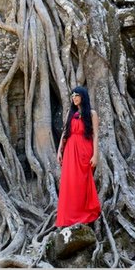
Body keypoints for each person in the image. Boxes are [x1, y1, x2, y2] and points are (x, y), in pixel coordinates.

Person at [56, 86, 101, 227]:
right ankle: (69, 217)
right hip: (70, 150)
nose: (74, 98)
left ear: (83, 96)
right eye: (72, 95)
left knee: (82, 182)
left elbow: (95, 135)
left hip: (84, 150)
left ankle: (84, 216)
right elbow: (65, 132)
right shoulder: (71, 112)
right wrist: (59, 150)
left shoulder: (92, 113)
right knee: (69, 182)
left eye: (77, 95)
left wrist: (95, 155)